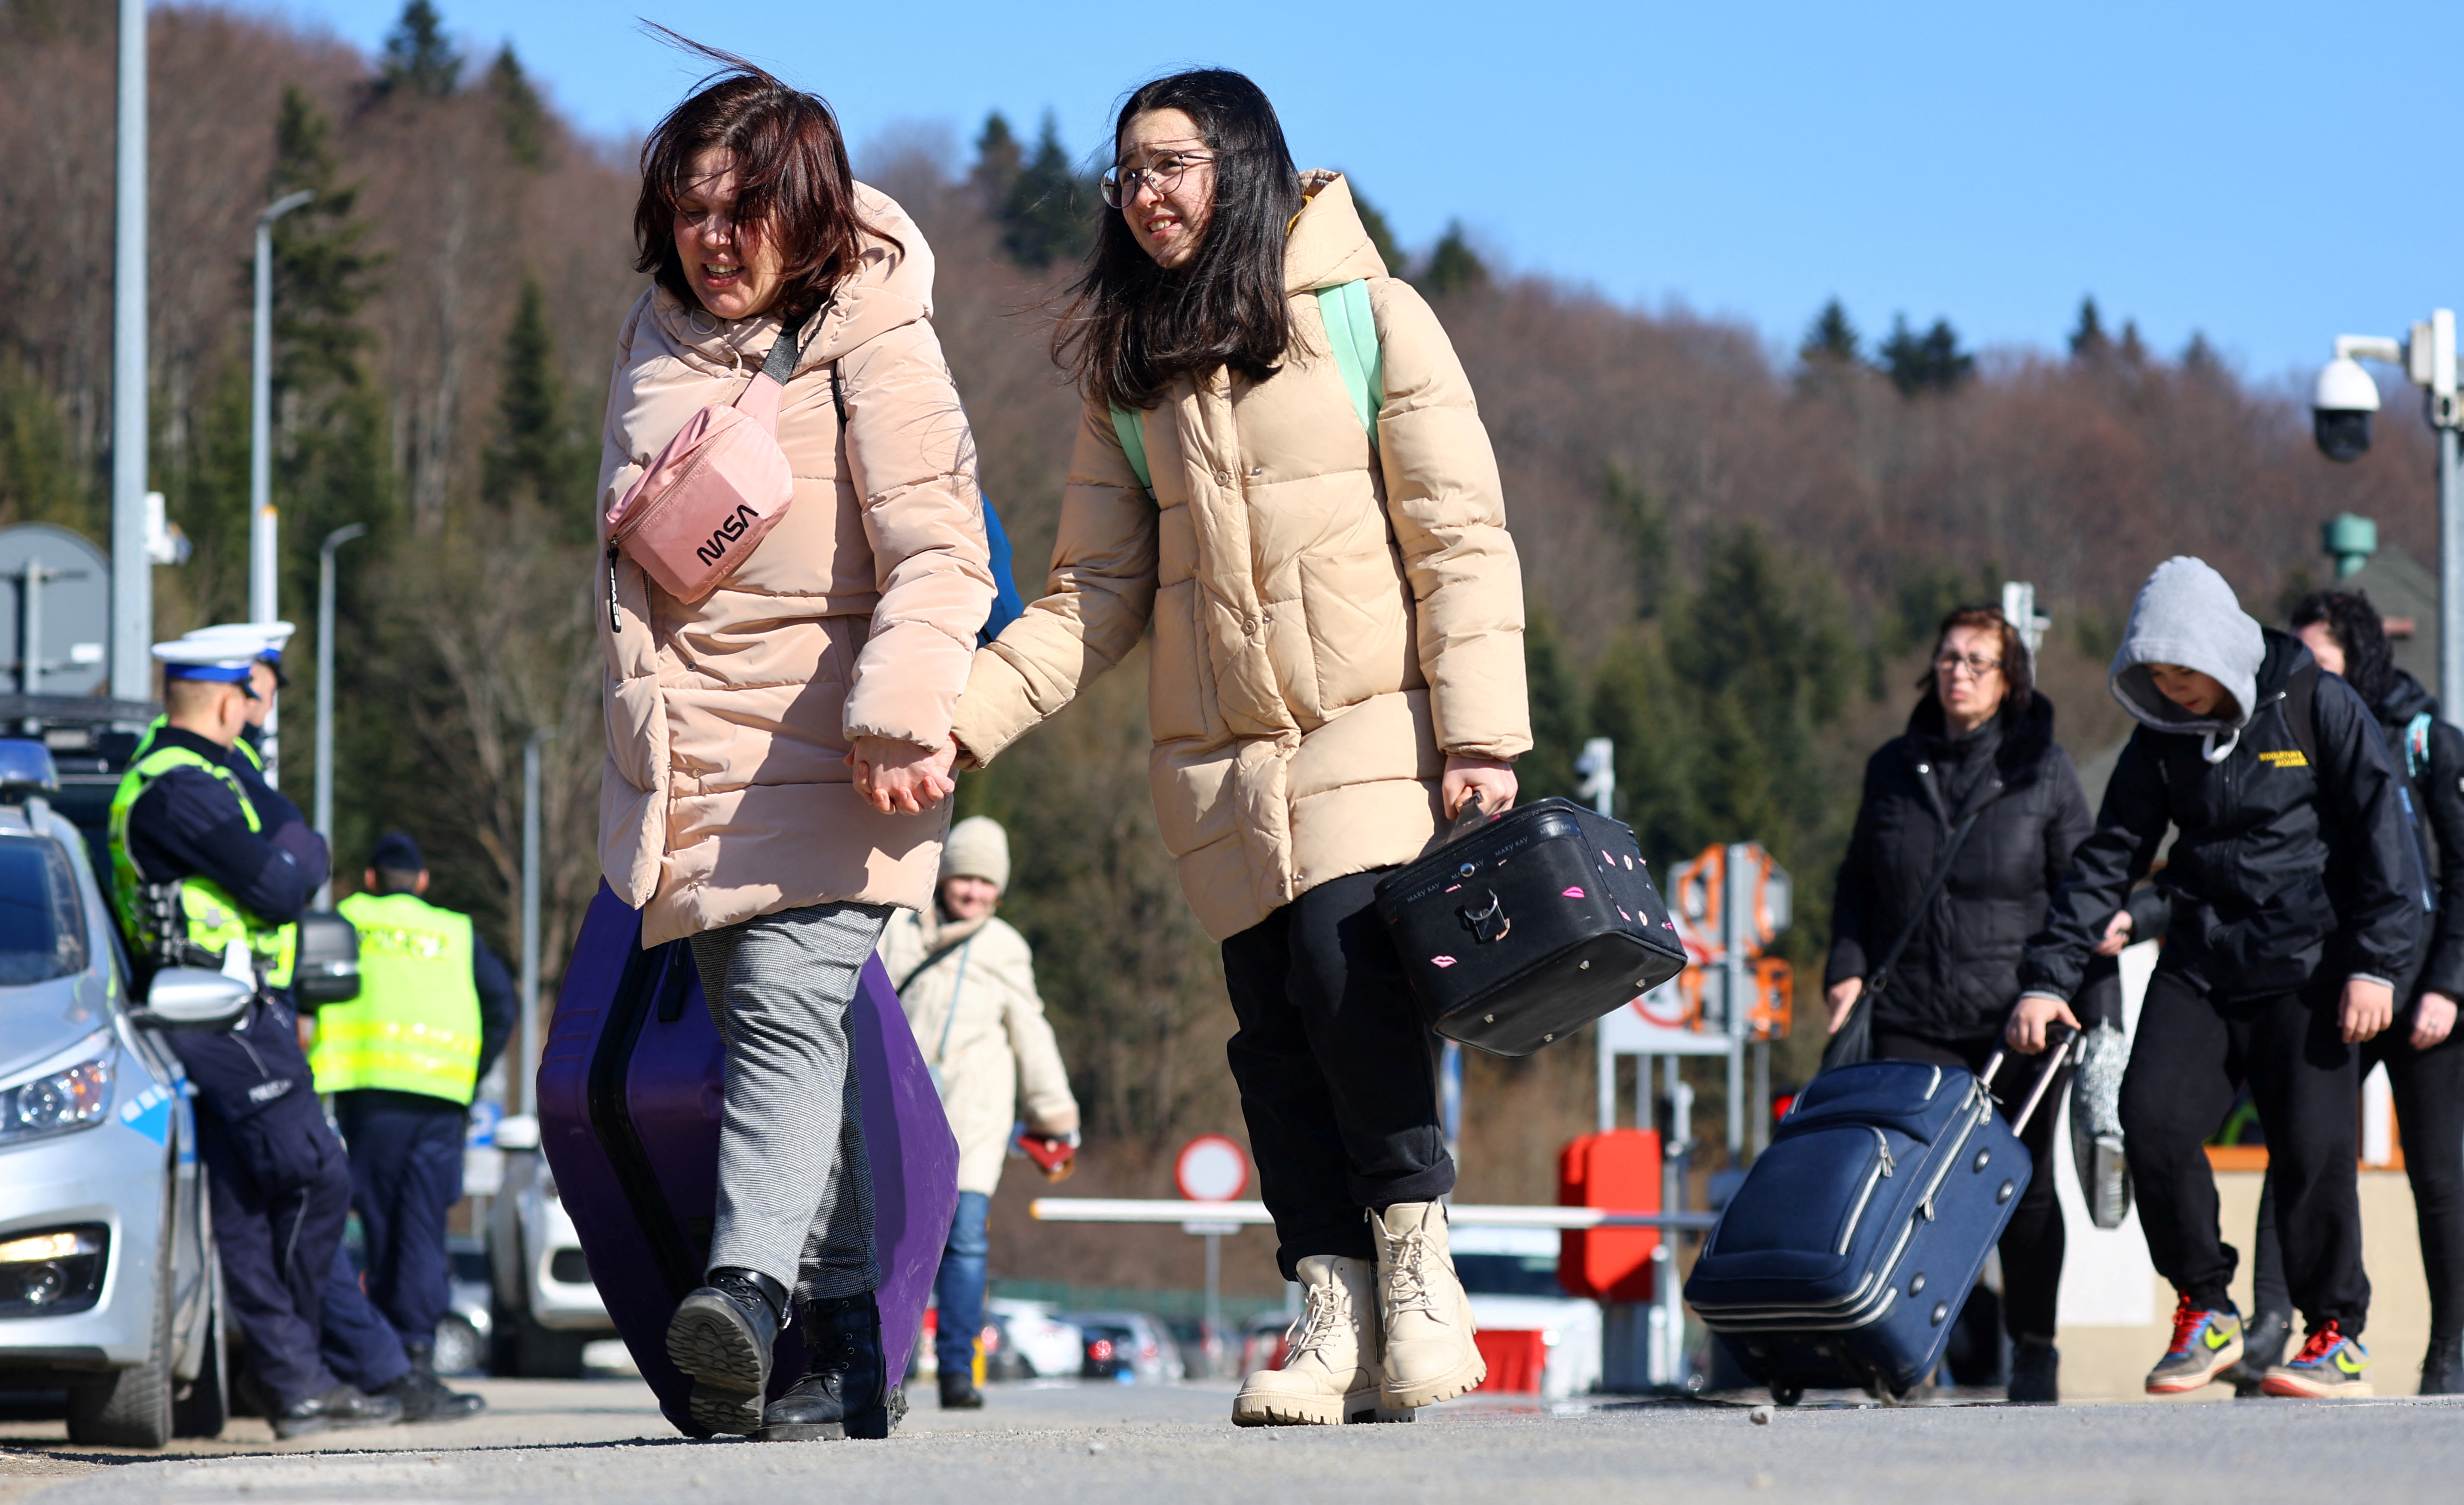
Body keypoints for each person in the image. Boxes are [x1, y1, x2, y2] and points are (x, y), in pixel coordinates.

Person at [946, 69, 1528, 1427]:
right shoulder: (1129, 373)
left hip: (1367, 725)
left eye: (1173, 165)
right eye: (1128, 173)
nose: (1146, 193)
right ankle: (1328, 1310)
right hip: (1215, 758)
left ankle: (1421, 1284)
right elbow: (1091, 594)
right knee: (1270, 1033)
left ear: (1244, 166)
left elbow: (1459, 535)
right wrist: (965, 719)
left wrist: (1484, 730)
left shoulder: (1372, 319)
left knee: (1347, 975)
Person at [600, 44, 992, 1443]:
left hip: (835, 750)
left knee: (778, 1011)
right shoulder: (649, 336)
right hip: (692, 769)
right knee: (784, 1037)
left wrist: (898, 711)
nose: (715, 237)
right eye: (693, 207)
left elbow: (944, 554)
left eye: (744, 208)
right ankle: (841, 1352)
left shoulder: (874, 335)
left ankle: (748, 1293)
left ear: (808, 210)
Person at [2009, 557, 2421, 1399]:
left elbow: (2386, 835)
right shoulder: (2162, 735)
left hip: (2307, 967)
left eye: (2184, 673)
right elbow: (2105, 858)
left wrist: (2376, 964)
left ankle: (2335, 1335)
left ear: (2221, 653)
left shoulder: (2316, 702)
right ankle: (2205, 1306)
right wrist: (2046, 978)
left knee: (2312, 1155)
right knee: (2148, 1122)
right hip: (2200, 963)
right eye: (2156, 676)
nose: (2174, 689)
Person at [110, 639, 399, 1438]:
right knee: (315, 1176)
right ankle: (294, 1368)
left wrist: (297, 846)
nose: (262, 718)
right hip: (216, 1011)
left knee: (245, 1206)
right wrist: (304, 851)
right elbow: (280, 883)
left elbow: (289, 844)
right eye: (259, 699)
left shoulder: (201, 778)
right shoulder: (177, 789)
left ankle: (296, 1382)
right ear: (229, 700)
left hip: (232, 1010)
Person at [1824, 604, 2108, 1404]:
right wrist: (1844, 971)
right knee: (1910, 1192)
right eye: (1948, 657)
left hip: (2014, 1018)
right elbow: (1855, 881)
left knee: (2024, 1188)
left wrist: (2050, 990)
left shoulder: (2043, 771)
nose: (1957, 671)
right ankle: (1908, 1349)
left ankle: (2034, 1348)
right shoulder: (1892, 766)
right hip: (1912, 1012)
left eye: (1978, 661)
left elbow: (2081, 890)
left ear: (2009, 680)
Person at [2223, 590, 2464, 1394]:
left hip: (2422, 994)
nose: (2298, 676)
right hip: (2335, 982)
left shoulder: (2430, 742)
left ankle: (2450, 1355)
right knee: (2301, 1146)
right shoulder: (2286, 740)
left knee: (2437, 1175)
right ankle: (2267, 1331)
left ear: (2357, 661)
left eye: (2317, 661)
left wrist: (2446, 988)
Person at [877, 816, 1079, 1411]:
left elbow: (1032, 1032)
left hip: (974, 1114)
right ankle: (892, 1367)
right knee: (891, 1240)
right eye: (965, 877)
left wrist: (1055, 1115)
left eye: (986, 883)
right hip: (903, 1107)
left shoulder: (1003, 947)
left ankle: (958, 1372)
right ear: (944, 876)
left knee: (964, 1242)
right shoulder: (897, 930)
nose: (974, 893)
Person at [310, 830, 513, 1417]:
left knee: (376, 1226)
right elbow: (501, 1005)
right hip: (441, 1099)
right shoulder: (456, 932)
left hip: (371, 1097)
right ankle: (416, 1357)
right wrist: (470, 1073)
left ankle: (383, 1363)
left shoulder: (347, 918)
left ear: (370, 878)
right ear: (422, 882)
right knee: (422, 1230)